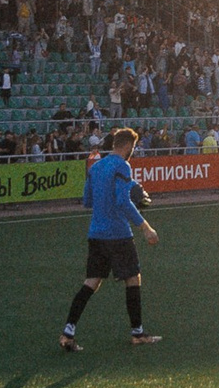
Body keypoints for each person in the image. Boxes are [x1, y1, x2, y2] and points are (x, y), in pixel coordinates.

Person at [62, 127, 160, 350]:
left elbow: (87, 201)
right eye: (133, 148)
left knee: (91, 282)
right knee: (132, 278)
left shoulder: (95, 166)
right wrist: (145, 227)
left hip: (96, 233)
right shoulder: (122, 166)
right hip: (118, 234)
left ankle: (68, 333)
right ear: (128, 146)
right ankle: (137, 333)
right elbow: (123, 201)